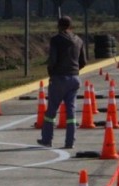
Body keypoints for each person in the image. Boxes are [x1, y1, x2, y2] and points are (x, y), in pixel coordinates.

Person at [37, 16, 87, 150]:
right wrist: (74, 70)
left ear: (58, 26)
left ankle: (47, 139)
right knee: (71, 111)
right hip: (74, 78)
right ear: (71, 26)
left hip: (59, 77)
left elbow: (52, 59)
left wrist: (51, 73)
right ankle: (70, 142)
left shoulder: (56, 40)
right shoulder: (79, 40)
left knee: (52, 110)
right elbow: (84, 62)